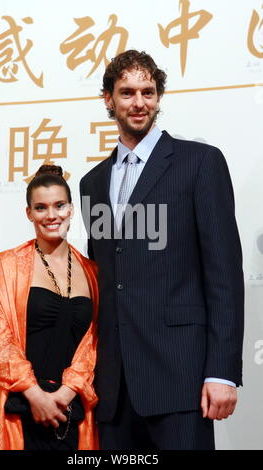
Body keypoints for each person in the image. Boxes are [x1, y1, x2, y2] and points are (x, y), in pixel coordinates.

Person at [80, 50, 244, 450]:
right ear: (108, 99)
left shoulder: (199, 162)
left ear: (158, 97)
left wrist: (221, 372)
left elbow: (224, 275)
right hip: (114, 388)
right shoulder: (92, 183)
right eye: (127, 92)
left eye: (148, 92)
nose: (139, 103)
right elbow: (107, 276)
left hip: (180, 378)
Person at [0, 165, 99, 450]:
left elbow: (93, 343)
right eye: (41, 207)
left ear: (71, 209)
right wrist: (36, 395)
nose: (51, 215)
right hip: (18, 407)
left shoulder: (91, 271)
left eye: (59, 205)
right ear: (29, 213)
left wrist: (65, 394)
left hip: (70, 411)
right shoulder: (8, 263)